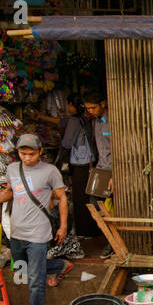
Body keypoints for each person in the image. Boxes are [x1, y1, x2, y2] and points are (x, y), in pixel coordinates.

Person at [0, 134, 71, 305]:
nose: (27, 158)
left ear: (40, 152)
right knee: (24, 267)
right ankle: (59, 266)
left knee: (35, 279)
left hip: (39, 232)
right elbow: (11, 192)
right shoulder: (13, 168)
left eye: (31, 154)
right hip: (17, 230)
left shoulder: (50, 171)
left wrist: (63, 227)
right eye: (23, 153)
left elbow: (62, 198)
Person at [31, 95, 97, 237]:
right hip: (88, 162)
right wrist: (41, 117)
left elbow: (67, 143)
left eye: (68, 105)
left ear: (72, 105)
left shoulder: (74, 121)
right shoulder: (86, 118)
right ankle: (93, 228)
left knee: (80, 197)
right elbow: (61, 121)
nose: (67, 108)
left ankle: (84, 230)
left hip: (79, 163)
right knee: (88, 195)